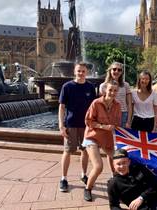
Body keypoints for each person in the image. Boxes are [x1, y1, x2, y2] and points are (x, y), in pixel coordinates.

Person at [58, 62, 96, 192]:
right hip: (71, 124)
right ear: (74, 72)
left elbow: (93, 107)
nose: (81, 73)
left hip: (86, 125)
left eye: (83, 71)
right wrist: (61, 125)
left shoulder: (90, 87)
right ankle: (63, 178)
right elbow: (62, 107)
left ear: (87, 72)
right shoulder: (67, 86)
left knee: (84, 151)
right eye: (79, 71)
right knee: (67, 151)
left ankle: (83, 174)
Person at [82, 80, 122, 201]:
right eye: (110, 90)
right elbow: (88, 121)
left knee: (118, 162)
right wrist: (103, 126)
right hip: (92, 136)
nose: (112, 92)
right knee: (98, 166)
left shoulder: (117, 105)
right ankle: (88, 189)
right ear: (105, 90)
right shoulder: (96, 103)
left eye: (115, 90)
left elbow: (117, 123)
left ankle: (118, 189)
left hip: (107, 138)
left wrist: (115, 127)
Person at [99, 62, 132, 128]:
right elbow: (101, 104)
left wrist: (128, 121)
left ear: (121, 72)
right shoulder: (103, 86)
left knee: (121, 136)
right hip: (108, 113)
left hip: (123, 114)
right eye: (114, 69)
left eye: (119, 70)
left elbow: (129, 104)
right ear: (110, 71)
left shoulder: (126, 85)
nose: (116, 71)